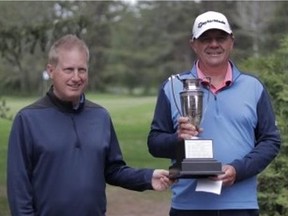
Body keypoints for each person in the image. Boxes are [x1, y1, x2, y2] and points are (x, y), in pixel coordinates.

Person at [7, 34, 173, 216]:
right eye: (69, 70)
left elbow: (113, 170)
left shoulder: (100, 116)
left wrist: (148, 178)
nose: (76, 77)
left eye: (82, 70)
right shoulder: (28, 119)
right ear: (51, 70)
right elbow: (18, 188)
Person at [147, 11, 281, 216]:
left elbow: (270, 141)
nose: (214, 44)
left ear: (231, 41)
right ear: (193, 44)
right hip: (188, 206)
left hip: (241, 206)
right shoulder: (172, 87)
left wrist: (239, 170)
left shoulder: (253, 87)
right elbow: (155, 143)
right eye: (206, 39)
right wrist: (178, 139)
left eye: (221, 38)